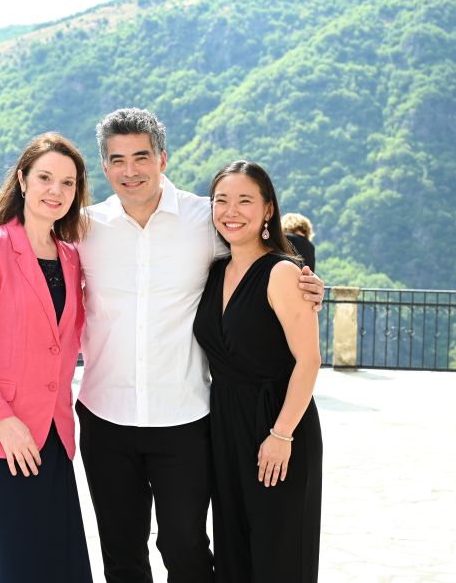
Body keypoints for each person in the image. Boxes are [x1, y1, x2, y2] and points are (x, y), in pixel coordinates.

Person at [75, 108, 324, 583]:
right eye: (118, 159)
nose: (131, 171)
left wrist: (309, 283)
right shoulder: (84, 229)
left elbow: (262, 258)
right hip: (105, 415)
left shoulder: (203, 220)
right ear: (104, 166)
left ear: (162, 158)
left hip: (185, 418)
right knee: (121, 551)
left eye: (142, 157)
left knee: (186, 547)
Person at [0, 132, 93, 582]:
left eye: (68, 183)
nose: (56, 190)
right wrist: (4, 421)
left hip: (52, 433)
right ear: (23, 180)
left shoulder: (70, 258)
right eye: (45, 177)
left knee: (55, 561)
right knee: (11, 562)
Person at [193, 161, 322, 582]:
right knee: (234, 550)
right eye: (222, 201)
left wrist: (282, 434)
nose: (232, 211)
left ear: (268, 210)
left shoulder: (283, 272)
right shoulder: (214, 270)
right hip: (225, 423)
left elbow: (309, 360)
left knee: (278, 552)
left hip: (278, 421)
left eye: (245, 200)